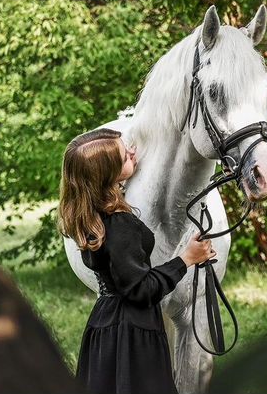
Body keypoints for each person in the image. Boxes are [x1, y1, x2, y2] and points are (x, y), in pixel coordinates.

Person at [58, 127, 216, 394]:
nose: (133, 151)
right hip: (131, 331)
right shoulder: (119, 225)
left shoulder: (92, 216)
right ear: (108, 173)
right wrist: (187, 258)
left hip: (104, 323)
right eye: (124, 155)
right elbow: (141, 290)